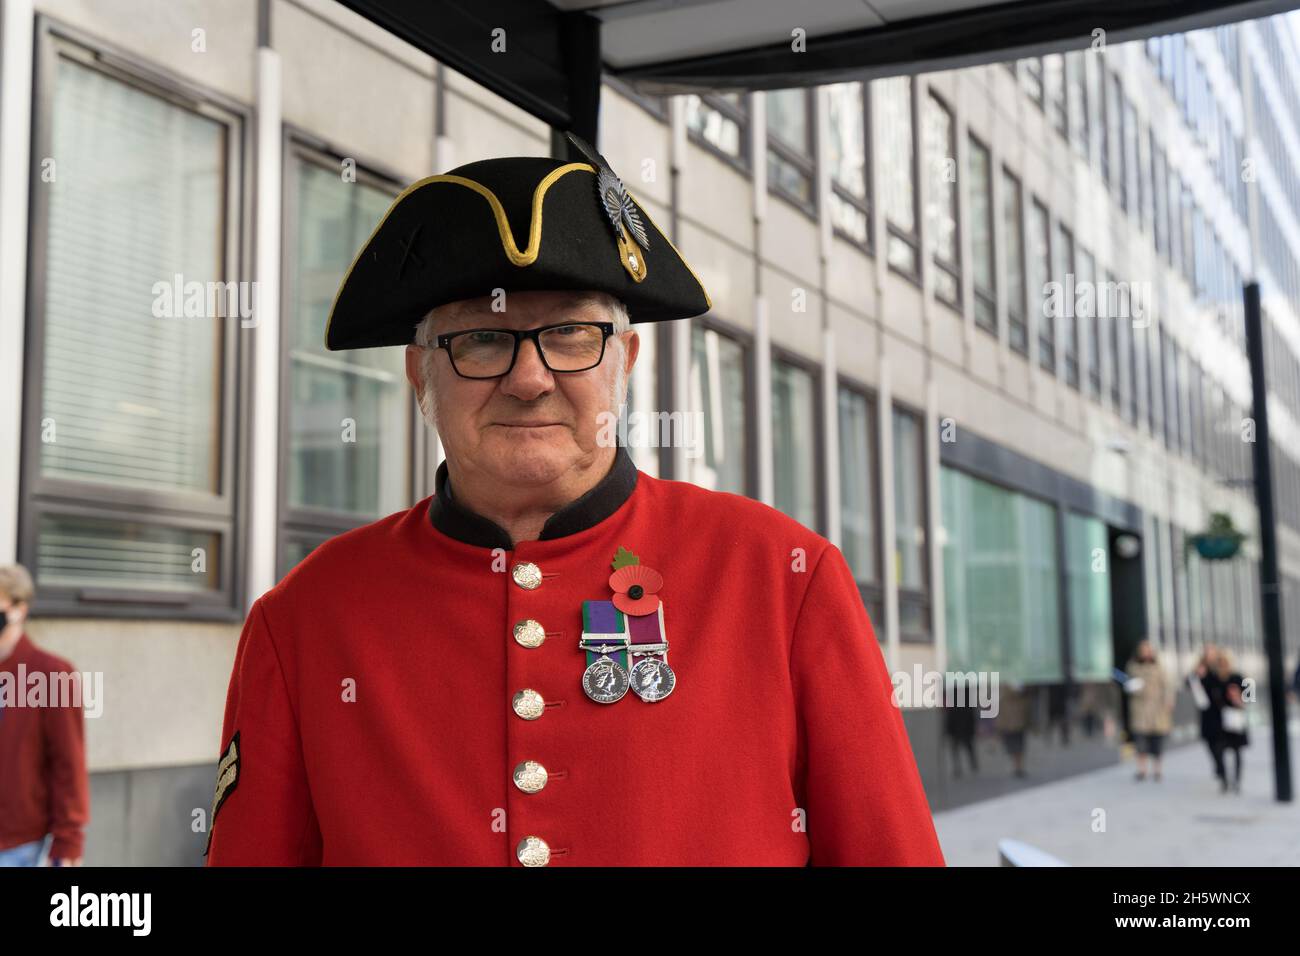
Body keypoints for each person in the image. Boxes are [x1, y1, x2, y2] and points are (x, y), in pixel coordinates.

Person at [204, 134, 945, 867]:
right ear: (419, 374)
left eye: (568, 332)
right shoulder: (304, 620)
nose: (529, 379)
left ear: (624, 358)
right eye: (483, 340)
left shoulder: (783, 577)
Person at [0, 564, 89, 866]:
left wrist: (69, 842)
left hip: (20, 847)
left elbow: (68, 762)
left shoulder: (51, 674)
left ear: (19, 610)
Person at [1123, 639, 1174, 782]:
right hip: (1140, 708)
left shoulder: (1159, 666)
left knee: (1157, 740)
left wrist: (1168, 702)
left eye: (1148, 650)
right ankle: (1142, 769)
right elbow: (1128, 683)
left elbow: (1167, 685)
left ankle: (1157, 770)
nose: (1145, 653)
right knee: (1140, 740)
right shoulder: (1132, 666)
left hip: (1157, 709)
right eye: (1143, 650)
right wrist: (1133, 687)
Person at [1211, 649, 1249, 794]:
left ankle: (1237, 781)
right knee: (1219, 750)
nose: (1223, 666)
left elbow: (1250, 694)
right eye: (1220, 663)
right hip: (1219, 722)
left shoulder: (1237, 677)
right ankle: (1224, 779)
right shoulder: (1214, 678)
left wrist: (1239, 699)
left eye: (1225, 663)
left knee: (1237, 752)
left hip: (1235, 720)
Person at [1190, 644, 1223, 782]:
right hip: (1206, 710)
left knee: (1220, 740)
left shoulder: (1222, 665)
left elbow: (1239, 680)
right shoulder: (1199, 668)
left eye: (1211, 651)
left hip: (1221, 709)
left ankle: (1221, 767)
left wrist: (1245, 700)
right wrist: (1198, 675)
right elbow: (1189, 681)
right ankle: (1218, 764)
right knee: (1209, 740)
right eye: (1207, 652)